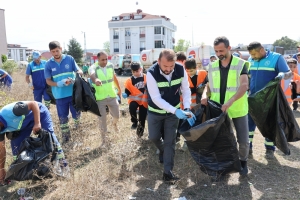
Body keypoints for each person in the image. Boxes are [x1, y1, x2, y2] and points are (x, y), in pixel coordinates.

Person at [201, 36, 250, 176]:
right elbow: (208, 85)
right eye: (216, 51)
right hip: (219, 110)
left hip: (237, 108)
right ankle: (223, 165)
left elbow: (244, 86)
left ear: (229, 48)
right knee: (220, 140)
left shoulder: (241, 64)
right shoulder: (212, 66)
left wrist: (230, 101)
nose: (218, 54)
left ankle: (243, 163)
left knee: (243, 141)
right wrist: (205, 94)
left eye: (221, 50)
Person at [147, 49, 195, 184]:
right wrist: (176, 111)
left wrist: (186, 108)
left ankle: (167, 172)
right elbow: (156, 98)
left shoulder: (180, 69)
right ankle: (162, 150)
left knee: (170, 141)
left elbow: (186, 90)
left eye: (171, 66)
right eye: (165, 66)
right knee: (154, 137)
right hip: (155, 112)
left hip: (172, 114)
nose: (168, 69)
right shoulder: (151, 73)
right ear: (158, 62)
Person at [0, 101, 67, 185]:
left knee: (50, 139)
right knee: (17, 151)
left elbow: (33, 104)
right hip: (22, 127)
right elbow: (2, 150)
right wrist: (1, 169)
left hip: (39, 114)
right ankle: (33, 174)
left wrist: (37, 123)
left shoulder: (11, 111)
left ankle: (63, 166)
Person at [247, 41, 292, 157]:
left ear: (261, 50)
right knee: (249, 123)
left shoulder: (276, 58)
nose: (252, 57)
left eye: (254, 54)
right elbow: (248, 77)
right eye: (251, 55)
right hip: (252, 98)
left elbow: (288, 73)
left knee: (270, 123)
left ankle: (269, 149)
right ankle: (248, 146)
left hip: (270, 99)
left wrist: (282, 74)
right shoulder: (250, 60)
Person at [44, 41, 83, 144]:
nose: (56, 53)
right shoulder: (48, 64)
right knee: (62, 118)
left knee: (77, 115)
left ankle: (79, 135)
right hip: (59, 95)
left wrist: (75, 78)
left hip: (73, 94)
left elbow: (79, 71)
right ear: (50, 52)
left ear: (61, 48)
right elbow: (48, 81)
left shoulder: (69, 59)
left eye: (57, 50)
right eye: (53, 52)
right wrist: (59, 83)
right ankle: (66, 138)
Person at [90, 51, 121, 147]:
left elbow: (114, 77)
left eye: (106, 59)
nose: (105, 61)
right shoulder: (93, 67)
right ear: (97, 59)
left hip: (112, 95)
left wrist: (119, 89)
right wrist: (96, 80)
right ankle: (104, 141)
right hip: (100, 98)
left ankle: (114, 124)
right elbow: (92, 74)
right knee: (102, 120)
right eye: (102, 59)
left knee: (117, 115)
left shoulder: (110, 66)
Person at [122, 62, 147, 137]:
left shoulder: (146, 77)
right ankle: (134, 122)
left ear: (141, 69)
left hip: (144, 101)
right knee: (132, 107)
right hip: (134, 100)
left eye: (137, 71)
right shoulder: (130, 80)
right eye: (133, 72)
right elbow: (128, 90)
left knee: (142, 118)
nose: (136, 73)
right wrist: (126, 93)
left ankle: (140, 133)